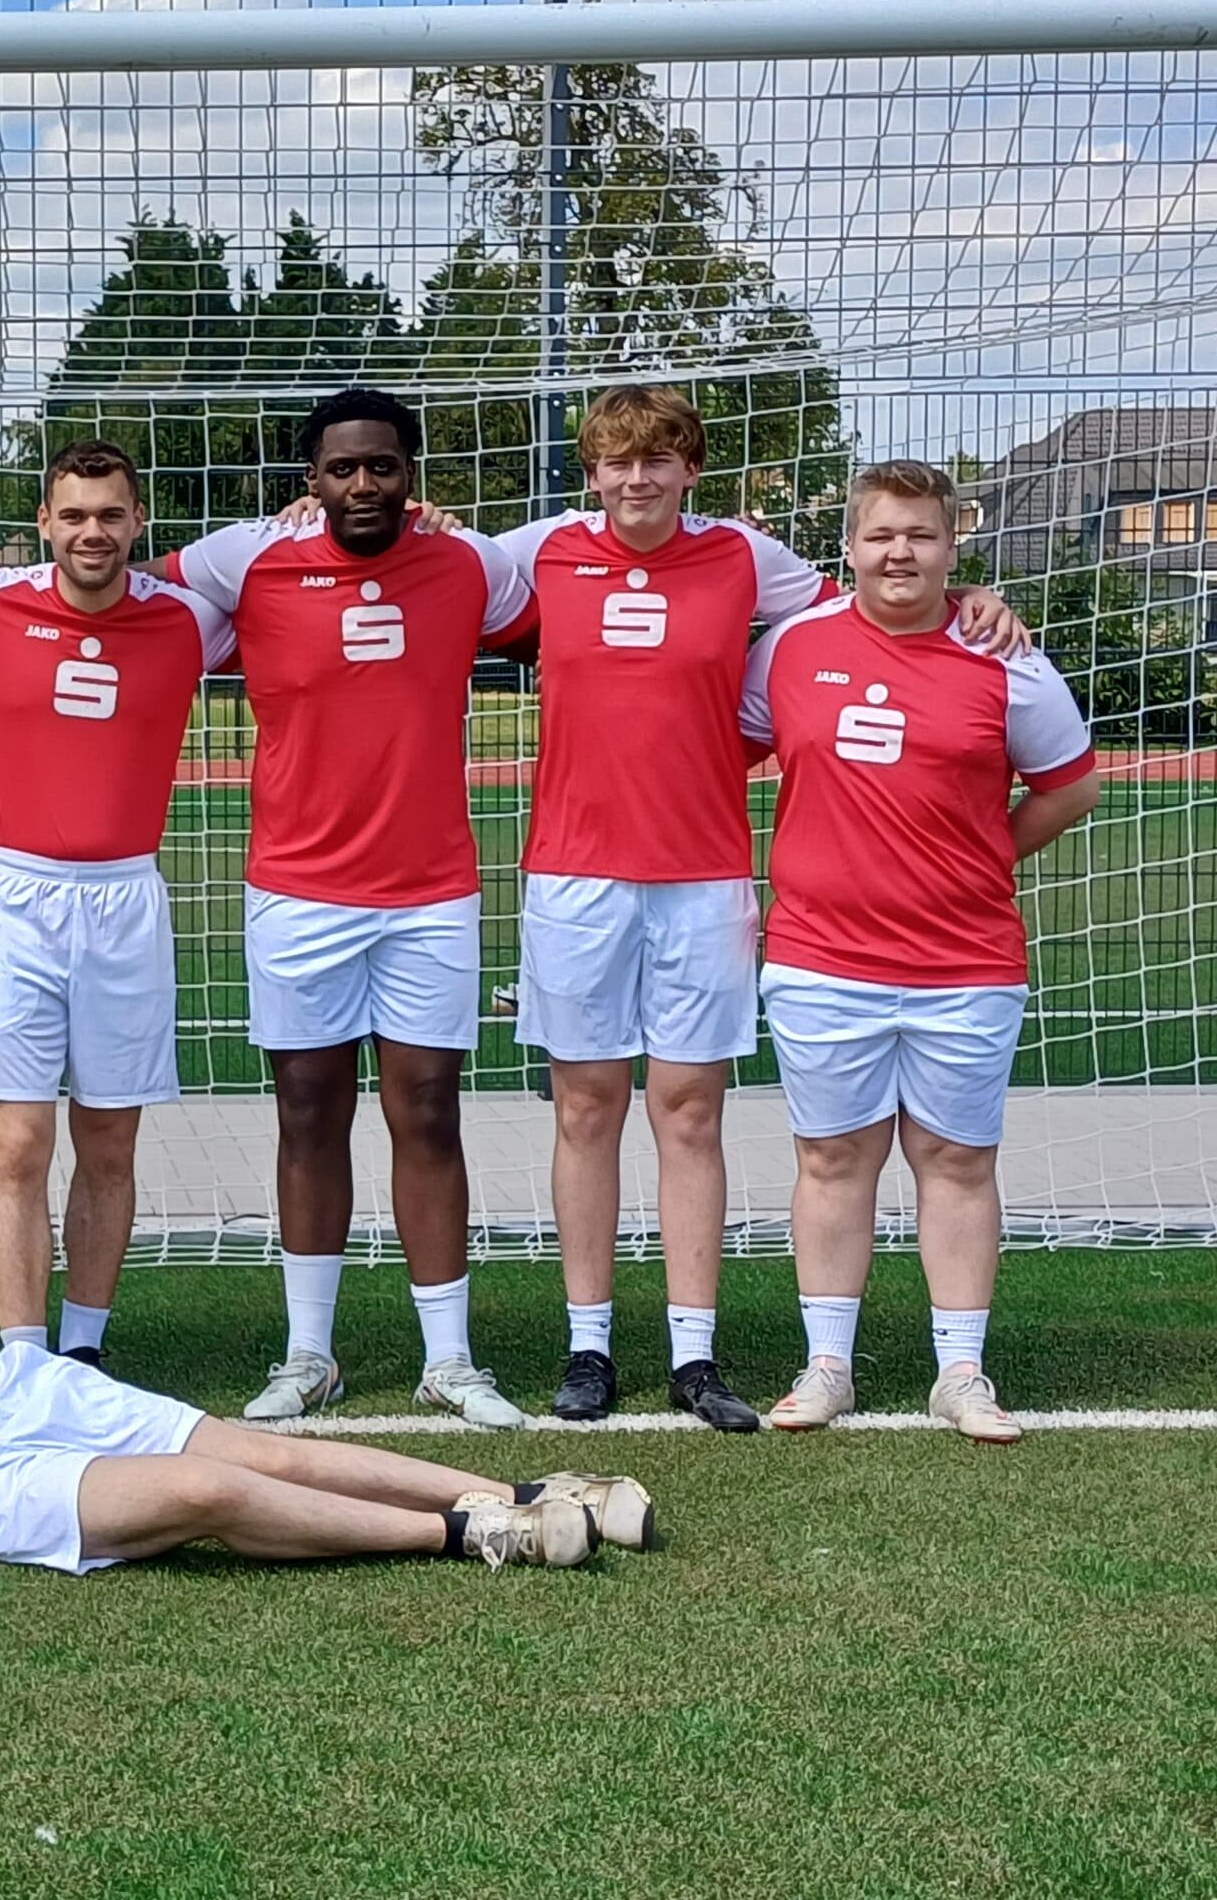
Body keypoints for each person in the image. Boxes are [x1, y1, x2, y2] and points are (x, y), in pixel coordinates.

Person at [491, 386, 1023, 1430]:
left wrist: (971, 596)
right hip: (573, 875)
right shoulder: (539, 551)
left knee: (689, 1111)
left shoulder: (743, 556)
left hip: (703, 877)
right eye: (615, 460)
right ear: (590, 472)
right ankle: (589, 1345)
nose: (636, 478)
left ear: (691, 470)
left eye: (658, 458)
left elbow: (867, 597)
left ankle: (694, 1354)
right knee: (586, 1109)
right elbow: (420, 566)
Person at [0, 1154, 655, 1577]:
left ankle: (529, 1490)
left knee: (261, 1454)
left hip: (10, 1399)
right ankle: (471, 1533)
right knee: (206, 1491)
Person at [162, 389, 539, 1429]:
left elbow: (558, 621)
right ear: (311, 480)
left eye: (381, 465)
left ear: (411, 476)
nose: (362, 484)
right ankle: (309, 1355)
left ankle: (449, 1360)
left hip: (429, 892)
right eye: (342, 468)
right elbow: (121, 587)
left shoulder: (470, 565)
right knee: (308, 1109)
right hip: (296, 890)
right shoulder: (249, 562)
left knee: (428, 1110)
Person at [740, 462, 1097, 1443]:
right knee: (832, 1158)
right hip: (820, 957)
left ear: (951, 545)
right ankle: (827, 1366)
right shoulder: (789, 648)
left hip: (964, 962)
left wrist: (981, 858)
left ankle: (961, 1373)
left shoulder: (1006, 659)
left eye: (921, 535)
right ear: (849, 547)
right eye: (881, 535)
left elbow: (1070, 788)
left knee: (957, 1160)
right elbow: (722, 753)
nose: (900, 553)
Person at [0, 441, 235, 1364]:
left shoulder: (190, 619)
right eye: (72, 515)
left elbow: (284, 581)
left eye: (111, 514)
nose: (92, 532)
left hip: (125, 902)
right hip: (13, 899)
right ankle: (25, 1358)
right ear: (43, 523)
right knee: (18, 1144)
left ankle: (84, 1353)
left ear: (139, 520)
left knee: (109, 1144)